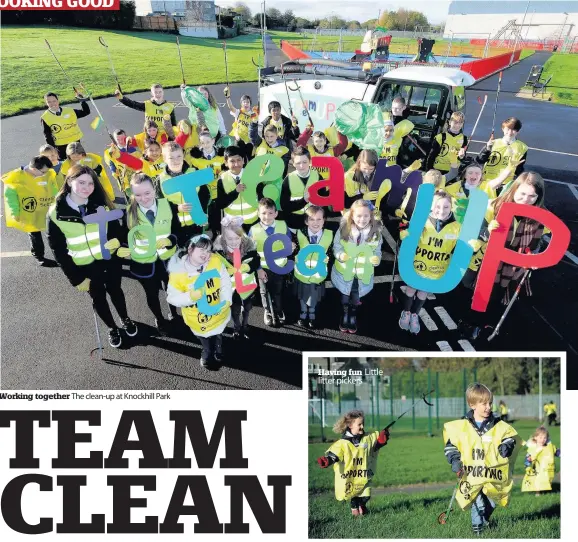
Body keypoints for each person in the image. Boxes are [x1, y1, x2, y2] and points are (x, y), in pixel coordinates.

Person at [47, 165, 138, 348]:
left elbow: (116, 231)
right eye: (81, 182)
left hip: (109, 260)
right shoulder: (56, 213)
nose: (86, 187)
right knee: (98, 298)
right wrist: (76, 278)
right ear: (70, 181)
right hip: (84, 266)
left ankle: (125, 318)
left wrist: (118, 244)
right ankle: (112, 327)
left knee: (116, 291)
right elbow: (58, 250)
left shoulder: (101, 205)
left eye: (90, 183)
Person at [459, 172, 547, 340]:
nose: (526, 199)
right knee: (471, 289)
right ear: (513, 190)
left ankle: (481, 322)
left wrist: (535, 256)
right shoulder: (493, 206)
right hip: (482, 258)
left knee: (495, 294)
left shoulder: (540, 217)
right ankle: (468, 320)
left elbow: (539, 242)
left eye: (532, 196)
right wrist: (486, 231)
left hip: (510, 265)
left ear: (538, 197)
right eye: (522, 194)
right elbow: (472, 232)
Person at [443, 383, 519, 535]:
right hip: (472, 475)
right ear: (472, 405)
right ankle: (478, 530)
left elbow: (509, 437)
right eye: (483, 403)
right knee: (478, 502)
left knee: (492, 501)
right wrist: (455, 460)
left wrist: (506, 446)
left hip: (493, 473)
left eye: (490, 403)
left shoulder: (498, 424)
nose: (488, 407)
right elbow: (451, 446)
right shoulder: (461, 426)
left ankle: (484, 520)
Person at [398, 190, 475, 335]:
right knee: (411, 289)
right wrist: (404, 232)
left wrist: (472, 245)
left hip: (437, 268)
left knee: (423, 292)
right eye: (438, 206)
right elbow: (405, 231)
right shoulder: (422, 221)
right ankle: (406, 312)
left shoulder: (457, 227)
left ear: (451, 207)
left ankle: (415, 314)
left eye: (446, 207)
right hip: (417, 265)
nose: (441, 210)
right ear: (432, 206)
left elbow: (462, 248)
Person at [118, 173, 184, 333]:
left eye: (147, 193)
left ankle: (174, 313)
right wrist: (122, 247)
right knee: (151, 293)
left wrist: (171, 240)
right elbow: (124, 236)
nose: (144, 198)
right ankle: (159, 318)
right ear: (132, 194)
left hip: (168, 259)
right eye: (138, 194)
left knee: (171, 288)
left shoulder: (167, 205)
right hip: (144, 263)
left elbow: (178, 230)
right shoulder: (129, 212)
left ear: (154, 190)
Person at [167, 234, 232, 368]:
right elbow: (172, 297)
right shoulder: (178, 273)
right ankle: (207, 350)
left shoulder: (215, 261)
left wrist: (226, 300)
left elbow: (225, 281)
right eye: (201, 250)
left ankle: (218, 347)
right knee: (204, 336)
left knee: (218, 331)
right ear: (190, 249)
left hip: (217, 311)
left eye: (208, 250)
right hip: (197, 318)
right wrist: (189, 297)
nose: (206, 254)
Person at [316, 410, 390, 516]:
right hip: (350, 476)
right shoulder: (343, 443)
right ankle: (355, 506)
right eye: (359, 424)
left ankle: (360, 505)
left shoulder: (367, 438)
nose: (362, 426)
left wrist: (382, 438)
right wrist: (327, 460)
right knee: (353, 494)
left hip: (363, 475)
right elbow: (335, 454)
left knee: (366, 496)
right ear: (350, 425)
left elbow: (375, 445)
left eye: (363, 423)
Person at [332, 199, 383, 334]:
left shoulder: (376, 233)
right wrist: (340, 255)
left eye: (366, 216)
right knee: (344, 297)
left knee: (356, 298)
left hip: (362, 275)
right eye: (359, 216)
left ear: (371, 216)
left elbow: (377, 250)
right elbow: (336, 246)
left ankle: (352, 315)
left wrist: (376, 259)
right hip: (344, 273)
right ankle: (345, 314)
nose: (362, 219)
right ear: (352, 216)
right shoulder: (344, 230)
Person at [3, 155, 59, 266]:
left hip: (46, 207)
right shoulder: (15, 178)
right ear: (34, 169)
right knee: (34, 234)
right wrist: (15, 212)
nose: (45, 174)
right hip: (29, 211)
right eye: (43, 172)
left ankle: (60, 255)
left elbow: (53, 187)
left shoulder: (46, 173)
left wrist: (57, 200)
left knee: (53, 231)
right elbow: (10, 197)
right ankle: (39, 257)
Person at [213, 216, 260, 340]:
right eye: (230, 239)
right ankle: (237, 327)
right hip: (232, 288)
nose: (234, 242)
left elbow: (256, 261)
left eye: (237, 238)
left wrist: (247, 266)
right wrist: (226, 271)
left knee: (248, 307)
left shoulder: (249, 248)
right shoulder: (220, 252)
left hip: (247, 286)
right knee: (235, 309)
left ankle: (245, 324)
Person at [445, 156, 525, 223]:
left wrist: (510, 167)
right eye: (470, 173)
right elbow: (441, 196)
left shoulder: (487, 185)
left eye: (477, 173)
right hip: (457, 224)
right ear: (465, 175)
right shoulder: (454, 187)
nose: (474, 175)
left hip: (481, 225)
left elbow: (500, 179)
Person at [249, 198, 290, 326]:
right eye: (263, 213)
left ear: (276, 213)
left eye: (270, 213)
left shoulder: (283, 225)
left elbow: (288, 242)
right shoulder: (254, 230)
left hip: (279, 267)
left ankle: (278, 310)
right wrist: (258, 269)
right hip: (263, 268)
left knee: (277, 290)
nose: (267, 216)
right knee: (264, 291)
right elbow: (251, 252)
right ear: (258, 213)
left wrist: (291, 246)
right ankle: (267, 311)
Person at [158, 141, 209, 239]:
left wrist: (201, 214)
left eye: (179, 156)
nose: (175, 160)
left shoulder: (194, 173)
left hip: (195, 225)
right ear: (164, 159)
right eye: (171, 157)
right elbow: (159, 204)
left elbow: (205, 195)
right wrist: (177, 208)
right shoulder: (160, 180)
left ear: (183, 156)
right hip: (174, 227)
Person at [294, 206, 333, 329]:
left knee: (314, 295)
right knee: (302, 294)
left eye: (319, 219)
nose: (315, 223)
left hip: (318, 274)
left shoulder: (329, 235)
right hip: (302, 273)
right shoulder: (300, 233)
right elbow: (295, 251)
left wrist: (328, 258)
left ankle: (312, 312)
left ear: (324, 220)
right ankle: (303, 311)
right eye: (311, 219)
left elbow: (331, 252)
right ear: (306, 221)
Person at [188, 131, 226, 234]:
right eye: (202, 143)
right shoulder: (196, 159)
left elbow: (226, 172)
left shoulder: (222, 157)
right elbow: (193, 176)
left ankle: (216, 233)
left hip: (218, 190)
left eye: (208, 142)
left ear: (213, 141)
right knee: (203, 214)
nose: (205, 145)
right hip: (203, 192)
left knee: (216, 215)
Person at [215, 146, 259, 232]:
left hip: (252, 222)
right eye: (232, 161)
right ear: (226, 163)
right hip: (232, 224)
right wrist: (235, 192)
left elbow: (261, 197)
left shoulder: (253, 176)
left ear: (243, 160)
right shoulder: (222, 180)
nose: (236, 164)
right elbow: (220, 204)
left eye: (239, 160)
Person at [279, 146, 322, 231]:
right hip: (294, 223)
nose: (302, 166)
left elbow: (323, 198)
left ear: (310, 161)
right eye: (298, 163)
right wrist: (304, 201)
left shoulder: (317, 176)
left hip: (313, 223)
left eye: (305, 162)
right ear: (293, 163)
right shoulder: (288, 180)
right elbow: (285, 206)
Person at [477, 118, 528, 190]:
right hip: (486, 180)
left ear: (518, 131)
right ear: (503, 129)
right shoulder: (493, 143)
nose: (510, 132)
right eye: (507, 129)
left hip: (506, 184)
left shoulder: (522, 147)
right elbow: (480, 160)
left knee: (501, 202)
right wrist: (487, 149)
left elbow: (519, 169)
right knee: (478, 201)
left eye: (513, 130)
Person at [41, 91, 90, 160]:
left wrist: (82, 101)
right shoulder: (45, 117)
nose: (52, 104)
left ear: (58, 101)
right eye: (49, 102)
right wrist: (53, 149)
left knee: (80, 161)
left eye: (54, 101)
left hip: (75, 143)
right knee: (65, 165)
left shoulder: (69, 111)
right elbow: (47, 135)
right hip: (61, 146)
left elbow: (86, 112)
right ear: (46, 103)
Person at [521, 426, 560, 495]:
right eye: (540, 437)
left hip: (547, 469)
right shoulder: (533, 448)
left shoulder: (549, 447)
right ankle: (537, 492)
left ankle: (545, 490)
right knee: (537, 480)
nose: (543, 440)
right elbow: (528, 458)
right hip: (537, 469)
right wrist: (527, 465)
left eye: (545, 438)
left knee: (546, 480)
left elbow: (556, 451)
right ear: (535, 437)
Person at [103, 129, 142, 196]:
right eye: (118, 139)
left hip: (138, 178)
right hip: (125, 182)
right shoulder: (112, 151)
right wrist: (113, 171)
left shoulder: (133, 148)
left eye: (123, 138)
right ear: (114, 140)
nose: (121, 141)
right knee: (132, 198)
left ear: (126, 137)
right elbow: (111, 163)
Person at [224, 89, 254, 161]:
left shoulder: (253, 115)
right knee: (239, 158)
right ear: (241, 104)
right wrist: (227, 98)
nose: (246, 104)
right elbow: (231, 107)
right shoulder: (238, 112)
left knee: (250, 159)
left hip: (249, 142)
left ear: (250, 104)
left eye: (248, 102)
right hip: (238, 140)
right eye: (244, 102)